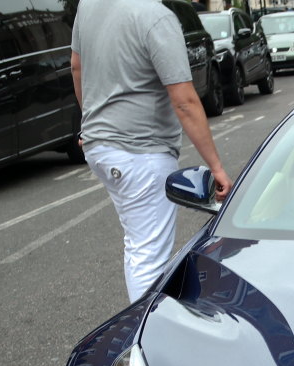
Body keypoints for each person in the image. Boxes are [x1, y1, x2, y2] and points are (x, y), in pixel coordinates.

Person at [70, 0, 232, 302]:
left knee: (138, 244)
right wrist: (216, 167)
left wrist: (91, 124)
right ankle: (143, 341)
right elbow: (184, 100)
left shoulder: (89, 5)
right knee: (148, 257)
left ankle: (145, 331)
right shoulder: (156, 17)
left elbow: (77, 67)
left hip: (101, 146)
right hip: (141, 151)